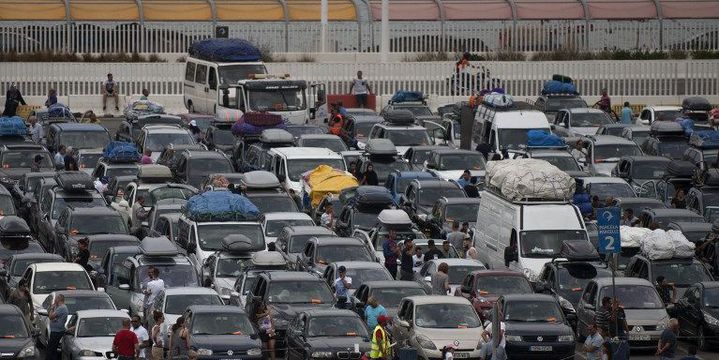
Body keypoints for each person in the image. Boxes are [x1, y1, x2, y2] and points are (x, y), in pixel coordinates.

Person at [47, 294, 69, 360]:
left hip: (57, 331)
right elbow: (53, 318)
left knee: (51, 349)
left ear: (59, 299)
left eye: (56, 298)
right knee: (52, 348)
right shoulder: (59, 307)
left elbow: (50, 316)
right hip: (56, 330)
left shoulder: (62, 308)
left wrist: (52, 308)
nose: (54, 300)